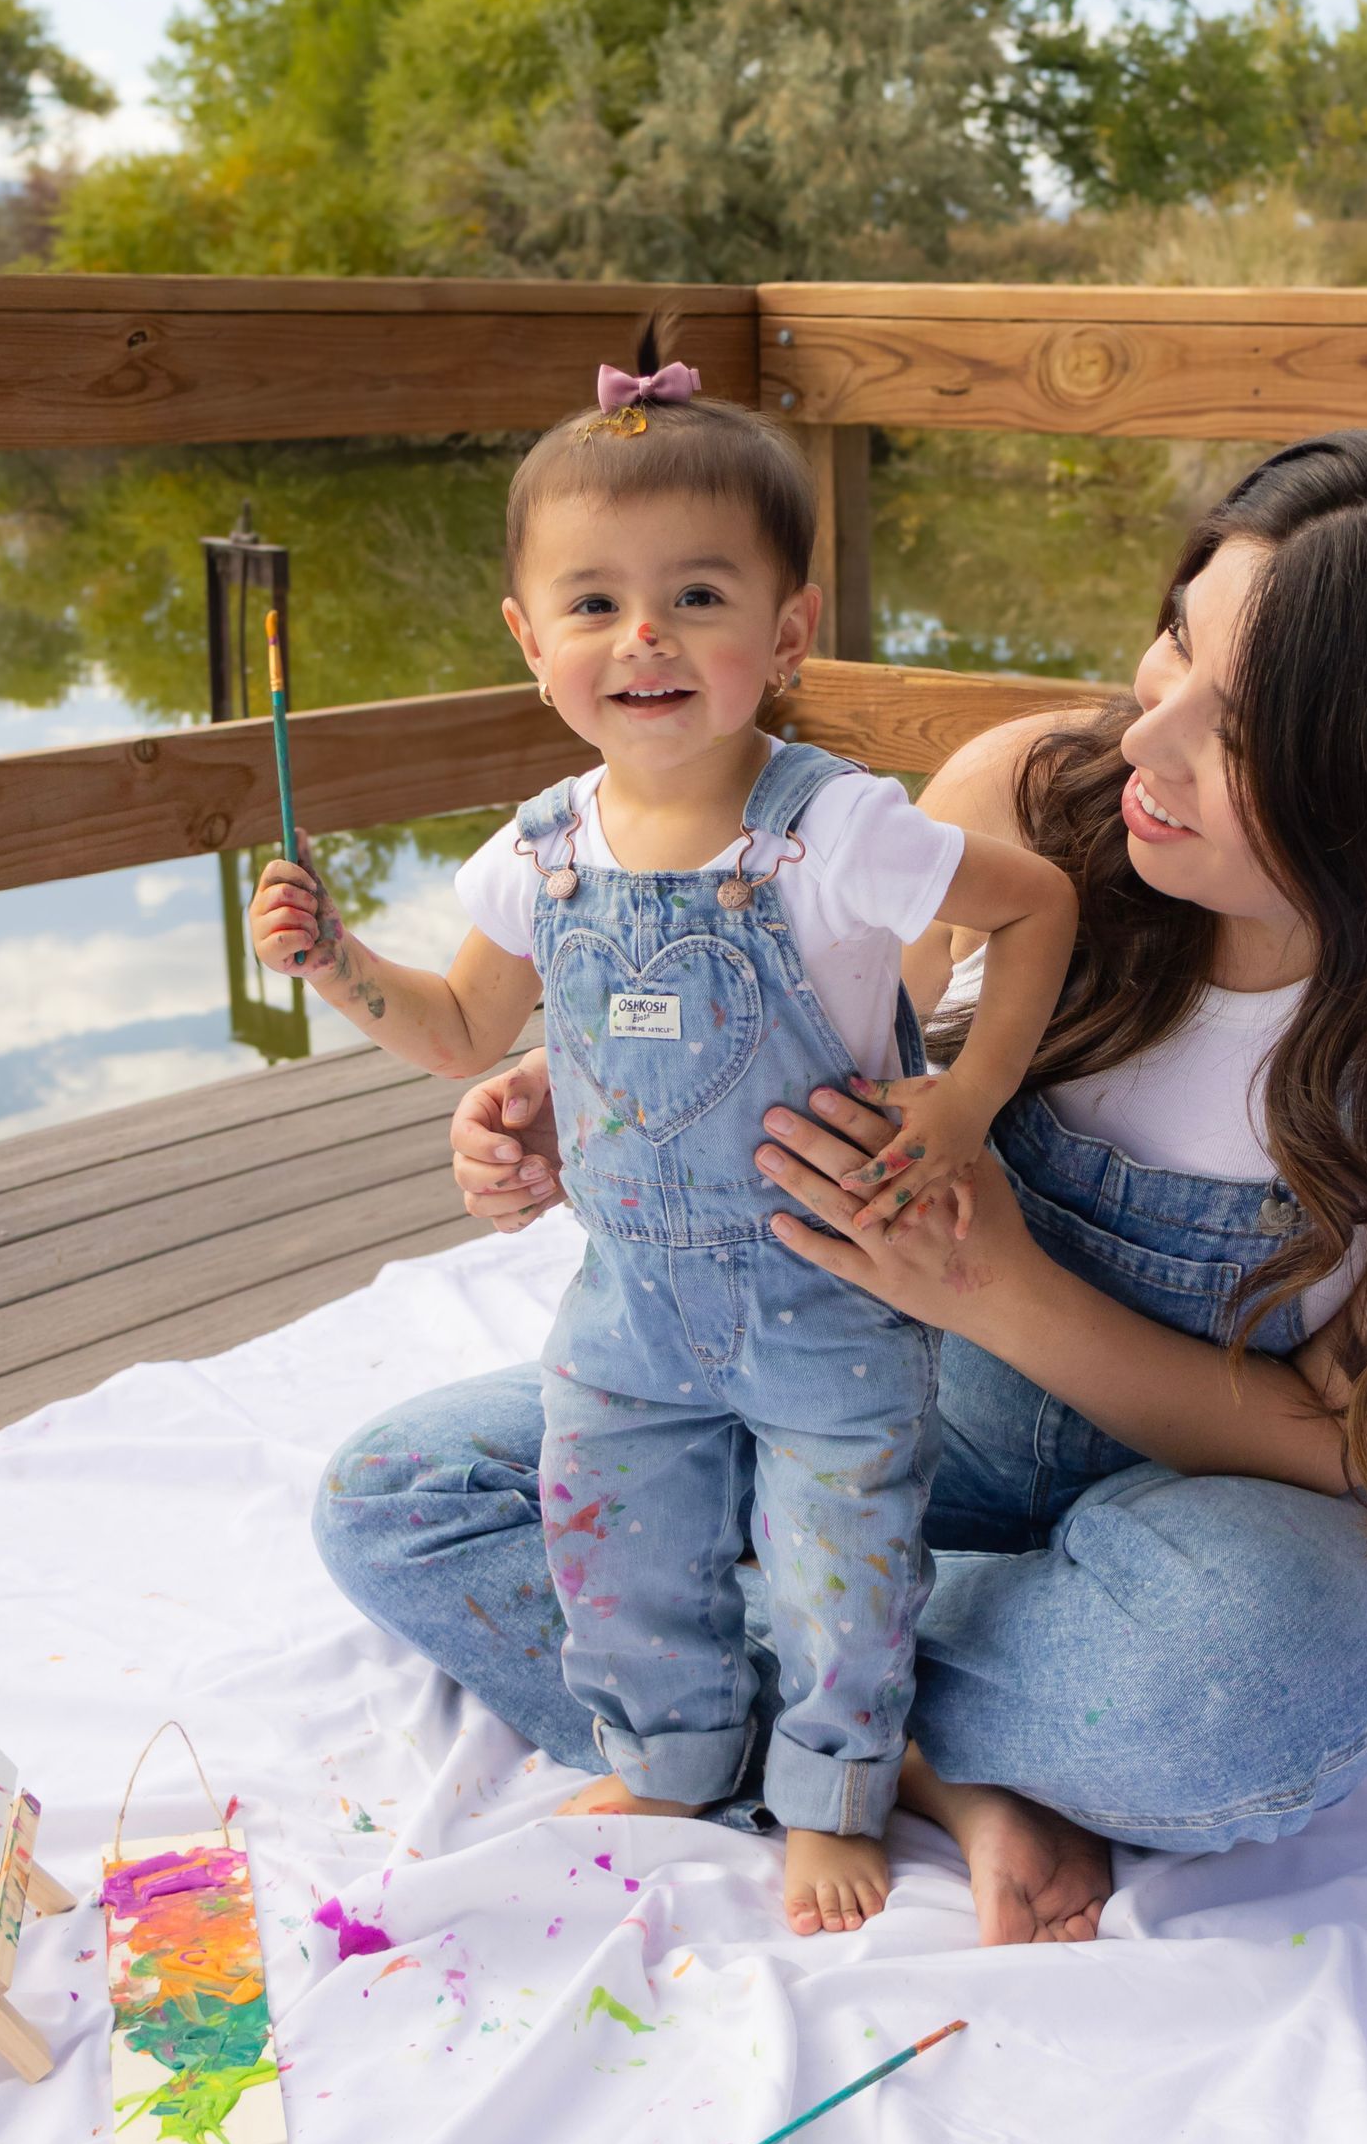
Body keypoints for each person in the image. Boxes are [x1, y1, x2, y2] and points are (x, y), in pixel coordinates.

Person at [313, 428, 1367, 1947]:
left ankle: (807, 1695)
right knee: (405, 1500)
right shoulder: (1026, 804)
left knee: (1244, 1691)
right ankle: (914, 1761)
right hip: (931, 1392)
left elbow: (1359, 1443)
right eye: (1173, 648)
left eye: (1241, 725)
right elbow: (811, 1011)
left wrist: (1003, 1287)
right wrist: (610, 1087)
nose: (1149, 740)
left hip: (1257, 1500)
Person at [251, 349, 1076, 1937]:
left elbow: (1035, 904)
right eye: (594, 603)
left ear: (787, 630)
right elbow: (455, 1031)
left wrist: (962, 1103)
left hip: (824, 1287)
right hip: (629, 1298)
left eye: (698, 595)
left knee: (841, 1560)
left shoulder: (836, 827)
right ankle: (677, 1749)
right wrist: (335, 961)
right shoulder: (543, 846)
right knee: (611, 1539)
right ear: (528, 639)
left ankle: (838, 1783)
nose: (644, 636)